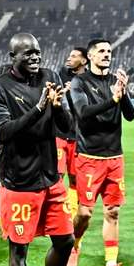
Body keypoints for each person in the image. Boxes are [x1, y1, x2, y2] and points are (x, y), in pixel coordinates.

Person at [0, 33, 75, 266]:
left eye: (38, 52)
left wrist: (59, 106)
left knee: (65, 241)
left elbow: (69, 127)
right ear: (13, 56)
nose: (36, 58)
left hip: (51, 178)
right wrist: (38, 109)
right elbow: (4, 132)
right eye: (28, 53)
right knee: (18, 250)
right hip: (19, 181)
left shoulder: (51, 78)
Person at [67, 39, 134, 266]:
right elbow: (83, 114)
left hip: (114, 157)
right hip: (89, 158)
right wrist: (113, 100)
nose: (107, 55)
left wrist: (123, 93)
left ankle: (110, 263)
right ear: (90, 56)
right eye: (101, 51)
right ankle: (73, 247)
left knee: (113, 211)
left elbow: (130, 115)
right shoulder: (80, 82)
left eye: (109, 51)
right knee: (85, 213)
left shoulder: (115, 82)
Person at [56, 47, 88, 223]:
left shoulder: (88, 82)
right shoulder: (61, 75)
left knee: (75, 179)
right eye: (69, 55)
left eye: (74, 56)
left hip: (78, 136)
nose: (69, 58)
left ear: (84, 61)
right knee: (57, 176)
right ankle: (57, 213)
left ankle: (70, 215)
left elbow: (84, 110)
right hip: (59, 134)